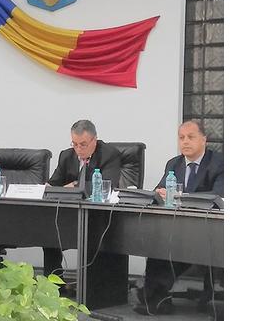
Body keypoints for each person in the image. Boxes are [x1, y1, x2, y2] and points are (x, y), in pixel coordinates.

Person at [134, 120, 224, 316]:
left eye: (190, 137)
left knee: (178, 245)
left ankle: (156, 296)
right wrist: (160, 193)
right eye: (181, 137)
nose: (185, 141)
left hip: (209, 230)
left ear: (204, 140)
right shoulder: (174, 164)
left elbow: (218, 195)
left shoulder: (219, 163)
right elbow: (158, 192)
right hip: (177, 227)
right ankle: (156, 299)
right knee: (159, 244)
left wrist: (179, 196)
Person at [44, 119, 122, 292]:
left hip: (99, 217)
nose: (78, 149)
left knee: (93, 235)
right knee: (49, 231)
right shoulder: (66, 155)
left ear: (95, 140)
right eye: (75, 144)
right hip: (69, 215)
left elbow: (107, 186)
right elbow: (53, 185)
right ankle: (55, 287)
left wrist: (74, 185)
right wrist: (47, 188)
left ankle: (93, 290)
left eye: (83, 144)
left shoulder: (110, 154)